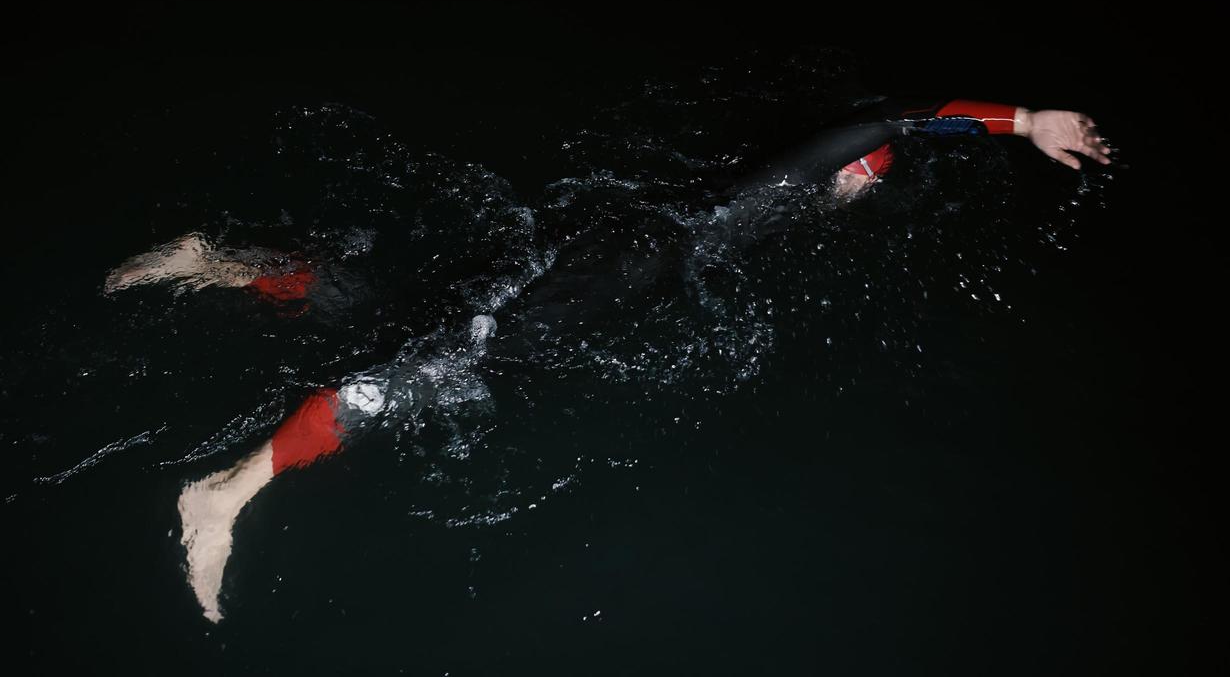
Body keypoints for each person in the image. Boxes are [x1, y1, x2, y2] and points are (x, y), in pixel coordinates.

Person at [104, 96, 1110, 622]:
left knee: (408, 310)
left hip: (607, 242)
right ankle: (225, 494)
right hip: (620, 264)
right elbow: (899, 117)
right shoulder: (817, 169)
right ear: (849, 169)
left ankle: (227, 265)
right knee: (448, 361)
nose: (857, 187)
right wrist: (1025, 122)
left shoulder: (782, 199)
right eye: (861, 178)